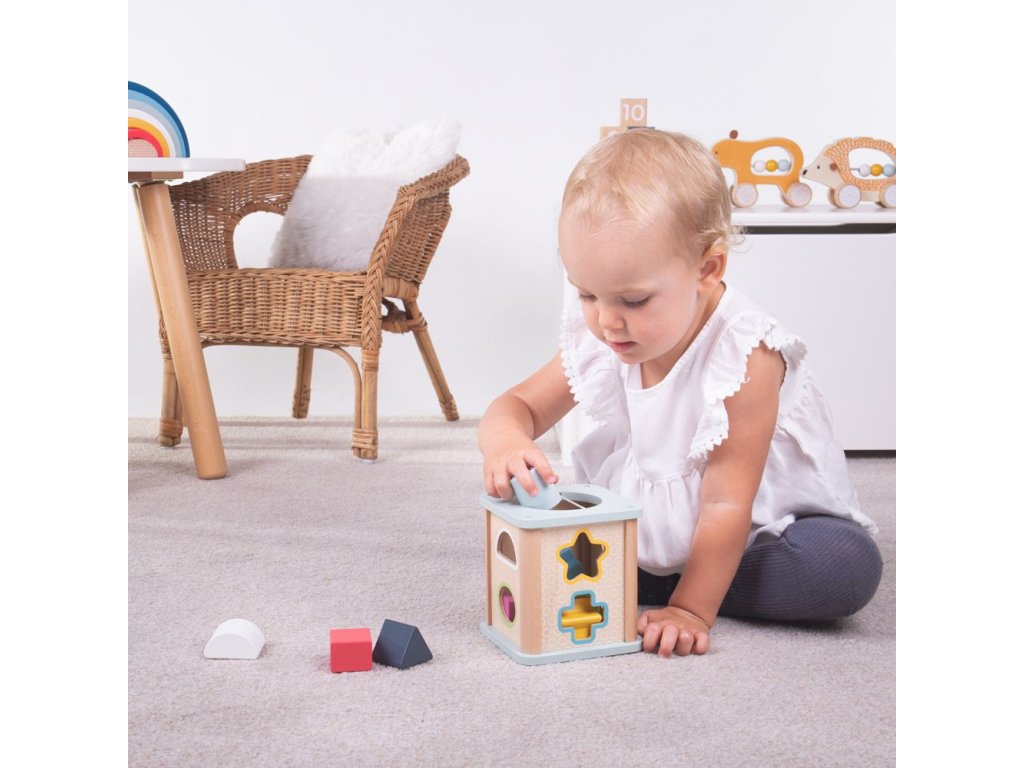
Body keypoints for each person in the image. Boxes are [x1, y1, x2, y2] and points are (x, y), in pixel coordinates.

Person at [478, 129, 882, 658]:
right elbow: (517, 406)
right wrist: (506, 442)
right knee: (534, 532)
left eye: (633, 300)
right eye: (586, 294)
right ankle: (649, 569)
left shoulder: (746, 355)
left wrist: (690, 610)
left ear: (706, 269)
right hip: (662, 521)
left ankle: (678, 582)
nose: (606, 320)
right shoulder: (608, 331)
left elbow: (726, 501)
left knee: (843, 568)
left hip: (759, 526)